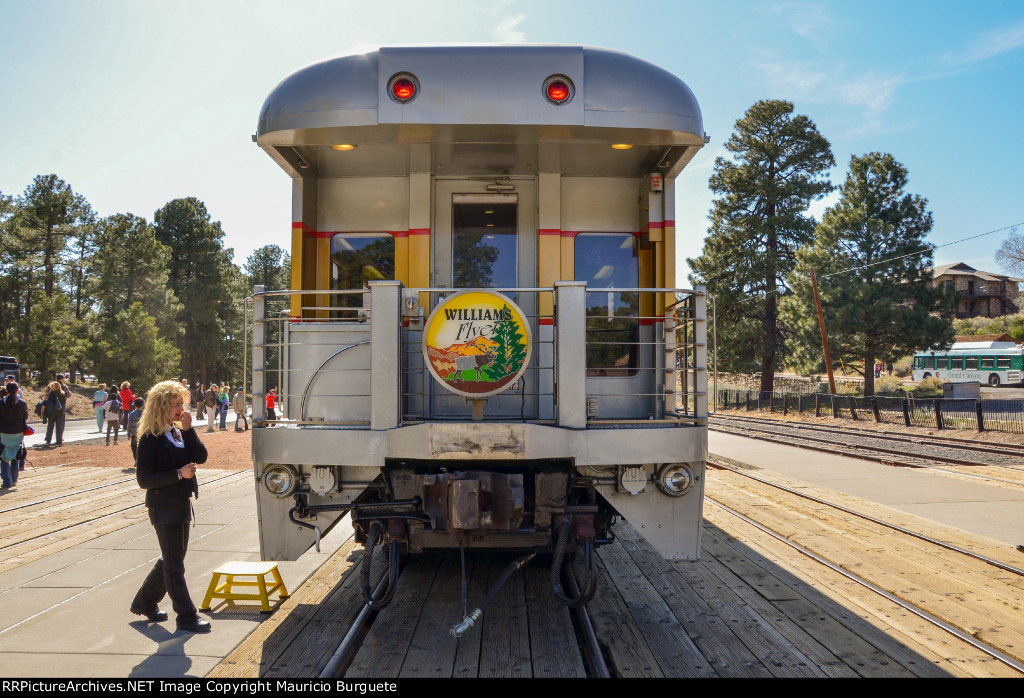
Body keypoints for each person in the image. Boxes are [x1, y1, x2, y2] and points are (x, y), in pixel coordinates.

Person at [130, 380, 210, 633]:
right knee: (175, 563)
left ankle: (145, 602)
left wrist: (189, 429)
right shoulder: (149, 438)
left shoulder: (176, 432)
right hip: (163, 507)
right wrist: (178, 473)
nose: (180, 410)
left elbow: (200, 457)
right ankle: (186, 616)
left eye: (181, 404)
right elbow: (144, 480)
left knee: (172, 559)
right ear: (161, 406)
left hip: (180, 503)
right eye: (176, 405)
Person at [0, 381, 28, 489]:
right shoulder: (22, 403)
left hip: (3, 433)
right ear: (17, 390)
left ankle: (7, 481)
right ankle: (14, 479)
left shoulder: (1, 403)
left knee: (3, 456)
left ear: (6, 390)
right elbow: (25, 417)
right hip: (17, 432)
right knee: (16, 456)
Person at [43, 379, 71, 446]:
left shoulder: (52, 393)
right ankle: (59, 441)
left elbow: (49, 402)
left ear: (54, 387)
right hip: (60, 412)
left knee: (50, 426)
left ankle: (48, 440)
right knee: (59, 427)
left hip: (52, 412)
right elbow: (64, 403)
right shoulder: (63, 394)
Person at [127, 397, 145, 464]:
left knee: (134, 446)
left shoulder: (132, 414)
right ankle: (141, 459)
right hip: (144, 432)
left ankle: (136, 459)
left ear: (135, 405)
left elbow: (129, 424)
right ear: (143, 405)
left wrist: (128, 433)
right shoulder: (145, 413)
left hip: (134, 432)